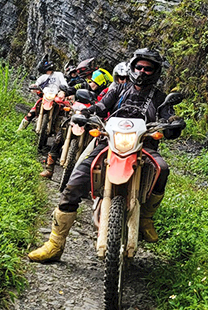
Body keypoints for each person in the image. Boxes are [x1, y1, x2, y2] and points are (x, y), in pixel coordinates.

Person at [27, 48, 184, 262]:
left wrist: (174, 124)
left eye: (148, 69)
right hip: (108, 142)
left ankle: (146, 217)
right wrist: (85, 113)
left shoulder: (160, 97)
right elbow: (101, 106)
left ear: (155, 72)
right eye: (139, 67)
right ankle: (54, 243)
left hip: (143, 146)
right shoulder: (118, 89)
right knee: (74, 182)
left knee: (162, 169)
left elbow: (167, 117)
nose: (142, 71)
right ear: (132, 67)